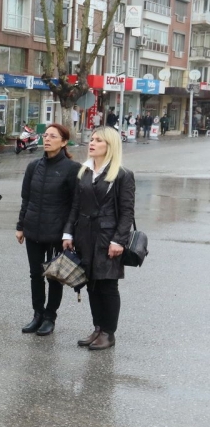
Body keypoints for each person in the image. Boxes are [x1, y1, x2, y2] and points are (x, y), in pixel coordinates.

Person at [63, 127, 136, 351]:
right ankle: (97, 328)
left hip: (107, 236)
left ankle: (108, 332)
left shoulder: (122, 174)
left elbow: (127, 212)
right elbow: (76, 205)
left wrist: (119, 241)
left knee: (107, 285)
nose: (92, 143)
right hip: (85, 234)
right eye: (92, 139)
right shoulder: (84, 171)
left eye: (98, 141)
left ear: (110, 146)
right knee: (92, 284)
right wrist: (68, 233)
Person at [15, 124, 81, 337]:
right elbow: (27, 198)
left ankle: (50, 317)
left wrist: (68, 233)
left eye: (53, 136)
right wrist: (20, 226)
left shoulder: (72, 169)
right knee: (35, 274)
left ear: (63, 142)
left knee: (54, 276)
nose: (47, 139)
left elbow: (75, 205)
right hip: (33, 228)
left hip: (57, 233)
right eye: (45, 135)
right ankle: (37, 314)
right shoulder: (34, 166)